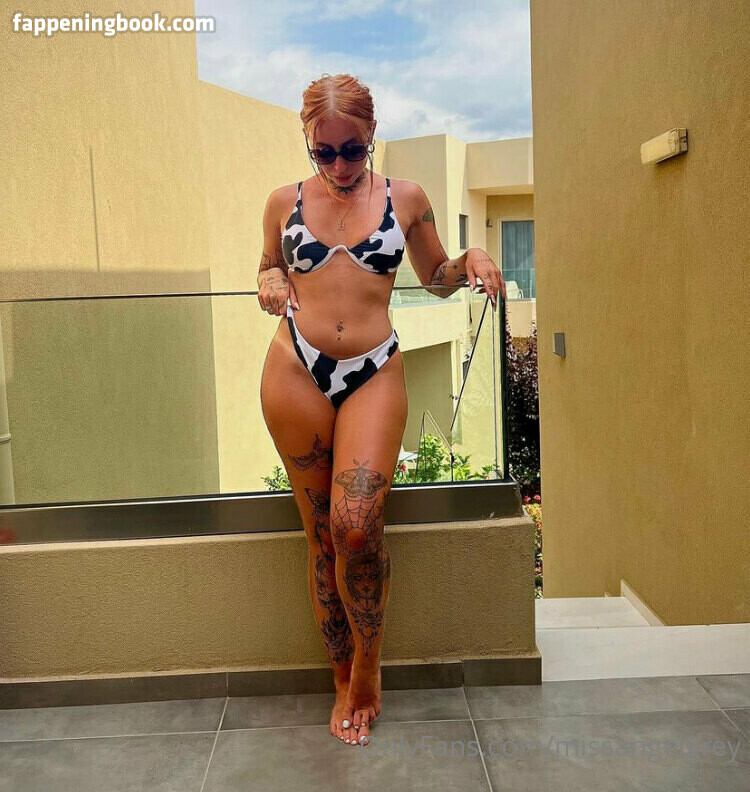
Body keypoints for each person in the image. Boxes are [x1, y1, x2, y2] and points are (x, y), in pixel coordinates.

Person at [258, 73, 506, 748]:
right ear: (308, 141)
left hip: (373, 370)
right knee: (320, 537)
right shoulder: (283, 201)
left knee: (357, 527)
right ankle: (341, 677)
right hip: (294, 369)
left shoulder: (407, 199)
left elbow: (436, 278)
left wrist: (472, 257)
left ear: (372, 135)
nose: (339, 166)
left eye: (353, 150)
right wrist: (272, 278)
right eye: (324, 152)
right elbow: (267, 268)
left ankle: (369, 668)